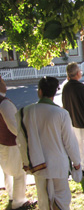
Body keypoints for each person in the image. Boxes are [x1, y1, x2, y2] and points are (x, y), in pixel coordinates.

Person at [16, 77, 81, 210]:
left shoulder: (24, 113)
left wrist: (26, 162)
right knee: (62, 199)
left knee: (44, 199)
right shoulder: (61, 113)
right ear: (55, 92)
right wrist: (77, 163)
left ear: (39, 92)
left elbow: (20, 139)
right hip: (58, 164)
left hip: (38, 163)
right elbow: (70, 142)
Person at [0, 76, 36, 209]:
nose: (5, 84)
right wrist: (26, 137)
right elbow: (13, 126)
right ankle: (19, 202)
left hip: (2, 141)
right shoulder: (4, 103)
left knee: (7, 171)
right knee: (19, 173)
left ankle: (11, 194)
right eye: (3, 82)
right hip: (11, 143)